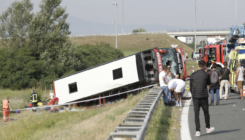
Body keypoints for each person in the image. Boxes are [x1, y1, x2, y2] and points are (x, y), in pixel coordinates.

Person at [190, 60, 214, 136]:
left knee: (196, 114)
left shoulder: (193, 75)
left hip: (195, 97)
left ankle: (197, 131)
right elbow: (208, 83)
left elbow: (191, 87)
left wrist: (193, 94)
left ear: (198, 66)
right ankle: (207, 127)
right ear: (204, 66)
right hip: (203, 96)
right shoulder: (206, 75)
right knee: (206, 112)